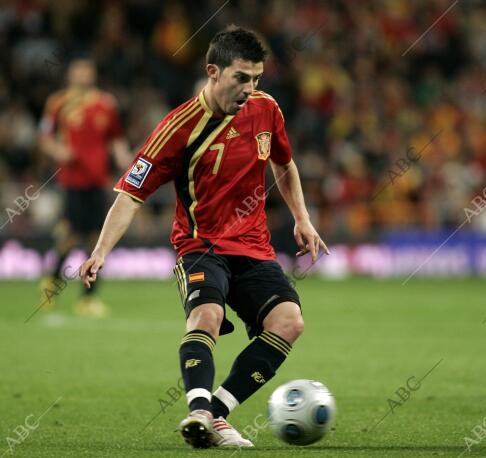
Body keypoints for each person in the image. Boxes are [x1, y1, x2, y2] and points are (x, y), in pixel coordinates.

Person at [78, 26, 329, 448]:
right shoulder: (177, 128)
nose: (250, 89)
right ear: (213, 72)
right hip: (200, 246)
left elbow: (285, 165)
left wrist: (302, 218)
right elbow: (130, 194)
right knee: (207, 317)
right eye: (241, 78)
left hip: (253, 246)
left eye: (257, 79)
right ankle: (198, 410)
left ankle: (215, 414)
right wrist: (100, 250)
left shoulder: (267, 110)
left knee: (290, 322)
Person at [39, 57, 131, 317]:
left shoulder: (106, 103)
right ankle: (51, 283)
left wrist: (124, 157)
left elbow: (116, 138)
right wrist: (58, 150)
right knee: (70, 237)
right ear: (70, 74)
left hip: (98, 180)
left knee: (96, 240)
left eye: (86, 71)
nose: (82, 75)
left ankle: (87, 299)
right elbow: (44, 136)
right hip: (72, 180)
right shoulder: (58, 102)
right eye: (78, 70)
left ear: (92, 74)